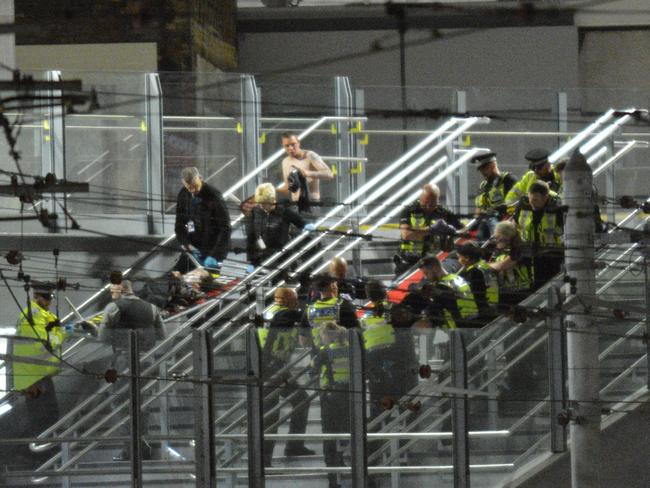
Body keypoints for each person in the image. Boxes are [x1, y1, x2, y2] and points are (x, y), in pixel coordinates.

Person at [100, 279, 166, 461]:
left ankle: (129, 450)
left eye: (113, 292)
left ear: (120, 291)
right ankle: (143, 448)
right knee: (142, 404)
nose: (112, 296)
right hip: (147, 360)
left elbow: (103, 337)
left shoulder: (113, 308)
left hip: (123, 360)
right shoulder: (152, 308)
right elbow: (162, 335)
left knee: (122, 405)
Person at [10, 282, 67, 464]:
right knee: (43, 418)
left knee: (46, 417)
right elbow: (44, 346)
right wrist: (60, 334)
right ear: (37, 297)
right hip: (34, 376)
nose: (49, 302)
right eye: (47, 298)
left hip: (36, 375)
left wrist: (57, 328)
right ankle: (34, 455)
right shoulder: (33, 315)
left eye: (50, 298)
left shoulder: (38, 314)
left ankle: (42, 454)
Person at [258, 287, 314, 466]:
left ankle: (292, 446)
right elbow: (296, 317)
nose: (297, 303)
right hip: (270, 368)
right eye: (294, 300)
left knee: (299, 400)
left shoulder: (270, 312)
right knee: (272, 413)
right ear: (286, 300)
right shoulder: (281, 314)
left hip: (276, 366)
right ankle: (266, 458)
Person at [311, 322, 350, 488]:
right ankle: (340, 462)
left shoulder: (325, 352)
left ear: (326, 336)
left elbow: (312, 370)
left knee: (329, 436)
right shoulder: (351, 349)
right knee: (345, 431)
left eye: (322, 335)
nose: (321, 338)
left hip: (329, 397)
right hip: (349, 396)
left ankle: (333, 478)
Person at [395, 183, 463, 276]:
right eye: (426, 202)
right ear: (420, 198)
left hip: (431, 264)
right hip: (408, 263)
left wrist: (452, 232)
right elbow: (406, 235)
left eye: (433, 202)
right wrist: (431, 229)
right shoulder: (409, 211)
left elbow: (463, 230)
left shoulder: (443, 212)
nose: (428, 206)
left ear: (438, 200)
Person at [174, 166, 232, 272]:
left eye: (195, 186)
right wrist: (187, 245)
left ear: (200, 178)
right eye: (189, 188)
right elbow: (179, 225)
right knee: (177, 274)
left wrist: (215, 255)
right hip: (193, 248)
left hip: (212, 247)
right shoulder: (183, 195)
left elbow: (226, 228)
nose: (192, 191)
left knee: (208, 284)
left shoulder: (213, 195)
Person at [245, 182, 315, 268]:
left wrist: (305, 226)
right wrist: (250, 261)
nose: (261, 206)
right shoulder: (256, 212)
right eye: (260, 203)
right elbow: (251, 237)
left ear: (273, 199)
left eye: (264, 203)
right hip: (261, 256)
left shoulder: (284, 211)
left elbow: (300, 221)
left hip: (281, 256)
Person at [513, 180, 564, 291]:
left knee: (547, 288)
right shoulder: (523, 204)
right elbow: (515, 225)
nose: (532, 203)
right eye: (530, 199)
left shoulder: (558, 209)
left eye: (535, 200)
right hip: (527, 255)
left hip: (551, 257)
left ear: (545, 198)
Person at [359, 280, 397, 419]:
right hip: (392, 356)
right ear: (385, 291)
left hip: (372, 358)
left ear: (369, 297)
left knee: (376, 395)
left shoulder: (364, 316)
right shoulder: (393, 308)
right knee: (393, 393)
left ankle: (377, 430)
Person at [417, 254, 479, 329]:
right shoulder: (456, 278)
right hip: (474, 320)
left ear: (435, 268)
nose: (425, 277)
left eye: (426, 273)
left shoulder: (441, 287)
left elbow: (435, 310)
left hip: (462, 328)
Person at [468, 152, 517, 240]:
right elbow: (479, 210)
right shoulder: (483, 186)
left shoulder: (508, 179)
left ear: (493, 164)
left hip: (504, 224)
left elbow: (514, 205)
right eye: (480, 169)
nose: (482, 172)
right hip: (485, 224)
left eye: (485, 168)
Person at [302, 274, 359, 350]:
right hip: (343, 355)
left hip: (320, 356)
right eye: (335, 283)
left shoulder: (309, 310)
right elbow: (356, 334)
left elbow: (303, 341)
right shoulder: (344, 305)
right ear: (332, 286)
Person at [278, 132, 334, 207]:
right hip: (295, 204)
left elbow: (330, 174)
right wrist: (271, 191)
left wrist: (309, 173)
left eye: (293, 144)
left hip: (312, 203)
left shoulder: (310, 155)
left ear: (298, 143)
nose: (290, 148)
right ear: (283, 146)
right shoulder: (285, 162)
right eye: (287, 146)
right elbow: (287, 187)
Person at [488, 221, 532, 310]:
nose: (497, 238)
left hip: (520, 292)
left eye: (498, 236)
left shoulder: (520, 247)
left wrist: (485, 266)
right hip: (504, 291)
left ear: (507, 235)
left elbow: (502, 265)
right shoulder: (498, 248)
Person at [456, 241, 499, 324]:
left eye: (459, 257)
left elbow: (475, 294)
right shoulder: (484, 265)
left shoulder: (473, 272)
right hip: (493, 306)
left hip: (484, 312)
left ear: (467, 258)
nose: (459, 260)